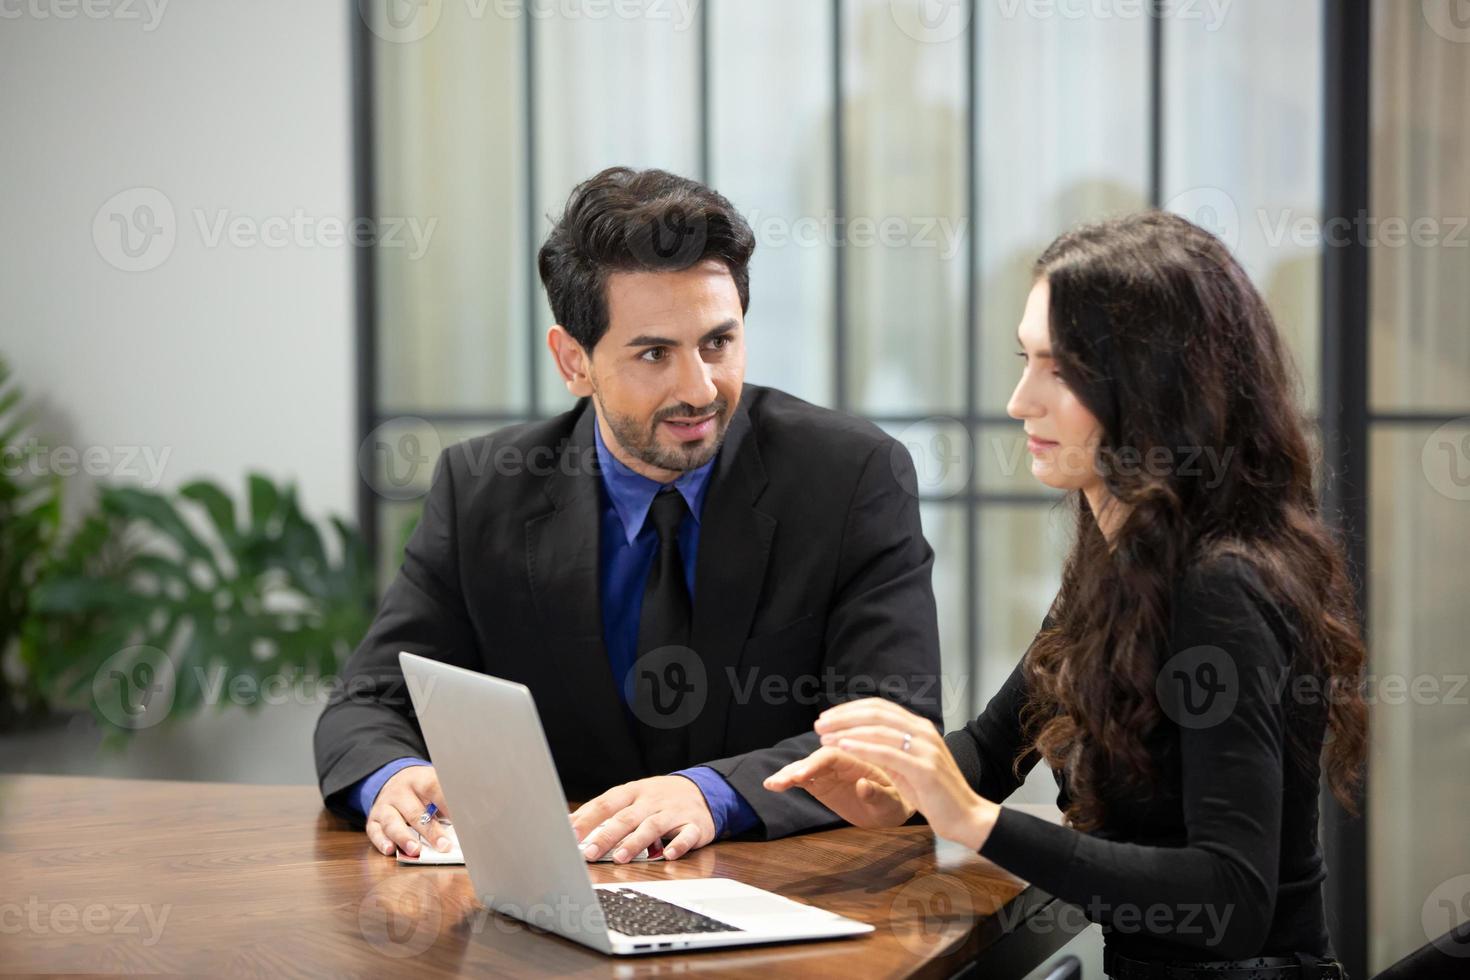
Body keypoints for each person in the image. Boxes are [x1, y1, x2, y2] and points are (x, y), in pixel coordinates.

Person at [765, 212, 1365, 978]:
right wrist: (899, 791)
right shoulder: (1121, 563)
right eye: (1026, 360)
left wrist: (977, 823)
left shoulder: (1220, 586)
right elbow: (990, 748)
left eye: (1060, 369)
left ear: (1153, 386)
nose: (1021, 400)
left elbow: (1230, 902)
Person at [313, 166, 942, 865]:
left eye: (718, 342)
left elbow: (898, 736)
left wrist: (713, 794)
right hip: (558, 904)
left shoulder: (852, 477)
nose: (699, 389)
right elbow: (366, 706)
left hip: (793, 894)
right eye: (654, 354)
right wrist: (392, 778)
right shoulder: (482, 490)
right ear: (573, 361)